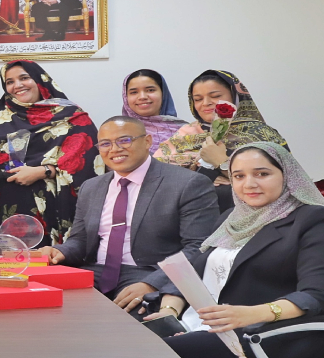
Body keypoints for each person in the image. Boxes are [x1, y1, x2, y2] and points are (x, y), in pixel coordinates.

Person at [148, 142, 324, 358]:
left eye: (262, 174)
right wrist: (170, 311)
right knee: (127, 341)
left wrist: (248, 314)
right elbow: (196, 270)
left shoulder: (316, 221)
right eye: (239, 176)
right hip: (201, 324)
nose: (249, 184)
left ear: (288, 175)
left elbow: (319, 295)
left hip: (260, 337)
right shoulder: (234, 218)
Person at [38, 116, 220, 312]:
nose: (114, 149)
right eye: (105, 144)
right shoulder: (91, 187)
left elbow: (198, 248)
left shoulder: (187, 184)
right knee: (41, 306)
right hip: (94, 273)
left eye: (124, 140)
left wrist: (153, 283)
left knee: (131, 324)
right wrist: (61, 251)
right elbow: (81, 240)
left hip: (149, 272)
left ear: (147, 141)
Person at [0, 60, 101, 244]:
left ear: (40, 80)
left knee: (51, 268)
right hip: (4, 213)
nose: (17, 85)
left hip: (52, 211)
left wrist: (44, 171)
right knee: (8, 267)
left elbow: (90, 164)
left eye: (24, 78)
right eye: (10, 82)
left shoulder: (72, 116)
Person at [154, 70, 288, 212]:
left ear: (235, 96)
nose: (206, 103)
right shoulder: (185, 134)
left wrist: (221, 164)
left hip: (261, 215)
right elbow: (158, 177)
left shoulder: (261, 134)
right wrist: (200, 178)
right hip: (197, 217)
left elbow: (284, 180)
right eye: (198, 99)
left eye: (216, 96)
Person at [121, 69, 187, 152]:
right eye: (134, 92)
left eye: (150, 90)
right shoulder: (117, 133)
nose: (142, 97)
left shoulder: (187, 131)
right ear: (126, 97)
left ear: (163, 93)